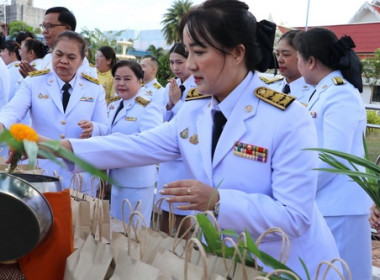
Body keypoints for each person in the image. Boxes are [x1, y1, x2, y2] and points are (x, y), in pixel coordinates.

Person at [43, 1, 340, 278]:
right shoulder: (195, 108)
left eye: (199, 52)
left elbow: (296, 216)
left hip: (288, 265)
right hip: (226, 260)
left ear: (237, 53)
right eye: (188, 52)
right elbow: (139, 145)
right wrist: (64, 148)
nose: (190, 64)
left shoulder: (286, 118)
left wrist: (218, 200)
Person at [295, 27, 372, 279]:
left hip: (340, 206)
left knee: (342, 272)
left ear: (311, 61)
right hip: (329, 202)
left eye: (297, 57)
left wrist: (299, 190)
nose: (296, 64)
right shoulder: (324, 92)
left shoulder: (339, 95)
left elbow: (334, 157)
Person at [0, 31, 108, 189]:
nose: (63, 61)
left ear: (81, 61)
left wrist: (94, 128)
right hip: (42, 171)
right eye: (58, 54)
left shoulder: (94, 88)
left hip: (78, 174)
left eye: (71, 57)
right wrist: (2, 124)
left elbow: (105, 127)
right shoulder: (34, 81)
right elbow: (13, 110)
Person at [102, 60, 162, 224]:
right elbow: (108, 132)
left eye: (127, 79)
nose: (121, 83)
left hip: (137, 183)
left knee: (134, 234)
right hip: (116, 179)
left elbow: (151, 145)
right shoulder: (114, 105)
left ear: (140, 81)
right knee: (116, 231)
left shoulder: (148, 108)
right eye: (117, 78)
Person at [155, 42, 198, 238]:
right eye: (172, 62)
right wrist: (171, 104)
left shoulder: (199, 87)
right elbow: (163, 120)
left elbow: (193, 123)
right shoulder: (170, 87)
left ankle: (183, 254)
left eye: (180, 62)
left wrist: (178, 102)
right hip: (169, 157)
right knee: (164, 208)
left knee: (183, 211)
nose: (175, 67)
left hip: (186, 157)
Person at [271, 30, 314, 105]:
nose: (279, 60)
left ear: (303, 56)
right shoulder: (269, 87)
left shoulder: (315, 92)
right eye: (277, 54)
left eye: (286, 54)